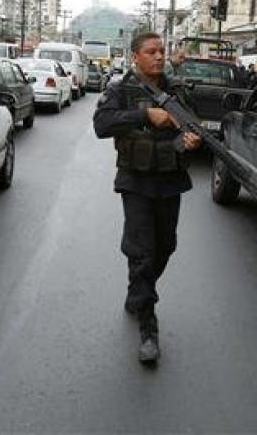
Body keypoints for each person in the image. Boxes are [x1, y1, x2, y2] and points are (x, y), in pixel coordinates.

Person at [92, 32, 202, 365]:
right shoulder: (121, 89)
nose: (158, 57)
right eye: (151, 52)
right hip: (136, 181)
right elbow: (101, 124)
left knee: (165, 247)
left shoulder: (177, 90)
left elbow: (191, 129)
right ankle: (148, 325)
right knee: (143, 251)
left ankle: (137, 290)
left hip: (169, 180)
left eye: (161, 52)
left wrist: (191, 141)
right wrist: (145, 116)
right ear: (135, 56)